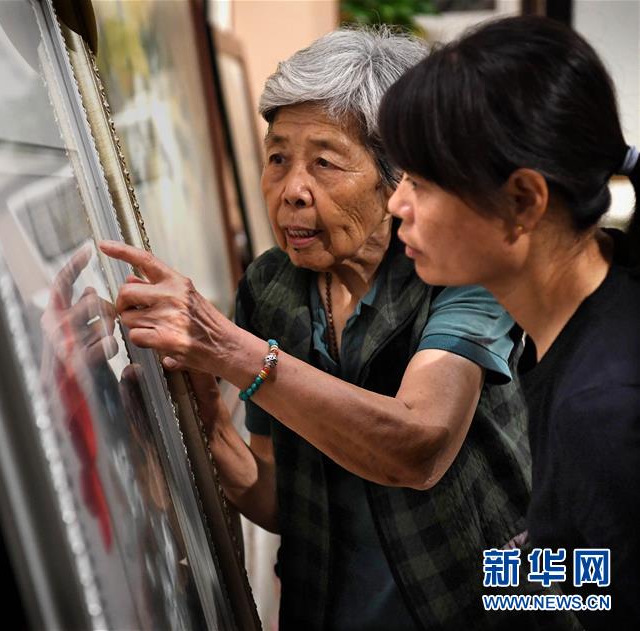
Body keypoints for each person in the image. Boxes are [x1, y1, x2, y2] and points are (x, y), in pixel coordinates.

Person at [101, 27, 567, 630]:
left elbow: (418, 447)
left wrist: (228, 349)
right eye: (277, 159)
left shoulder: (461, 269)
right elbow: (278, 500)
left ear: (397, 178)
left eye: (324, 163)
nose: (292, 191)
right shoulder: (268, 288)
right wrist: (207, 424)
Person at [379, 15, 639, 630]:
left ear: (522, 201)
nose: (396, 204)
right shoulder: (592, 305)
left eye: (422, 182)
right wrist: (515, 576)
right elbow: (602, 574)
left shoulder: (603, 408)